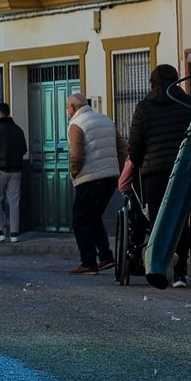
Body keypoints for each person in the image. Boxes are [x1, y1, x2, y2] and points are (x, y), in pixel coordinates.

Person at [120, 65, 191, 284]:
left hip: (153, 174)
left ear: (152, 82)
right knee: (180, 218)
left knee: (158, 220)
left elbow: (134, 148)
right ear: (177, 81)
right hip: (182, 171)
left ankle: (157, 266)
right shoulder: (188, 104)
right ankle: (180, 273)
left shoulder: (143, 107)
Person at [66, 90, 123, 275]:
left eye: (67, 107)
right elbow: (122, 147)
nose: (67, 111)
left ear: (73, 107)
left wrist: (74, 173)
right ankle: (106, 256)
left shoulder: (76, 124)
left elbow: (76, 154)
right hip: (110, 177)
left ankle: (88, 262)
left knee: (80, 220)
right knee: (94, 215)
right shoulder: (106, 119)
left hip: (89, 177)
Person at [0, 102, 27, 243]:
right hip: (16, 170)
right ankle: (14, 234)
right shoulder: (18, 130)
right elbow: (24, 149)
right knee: (14, 201)